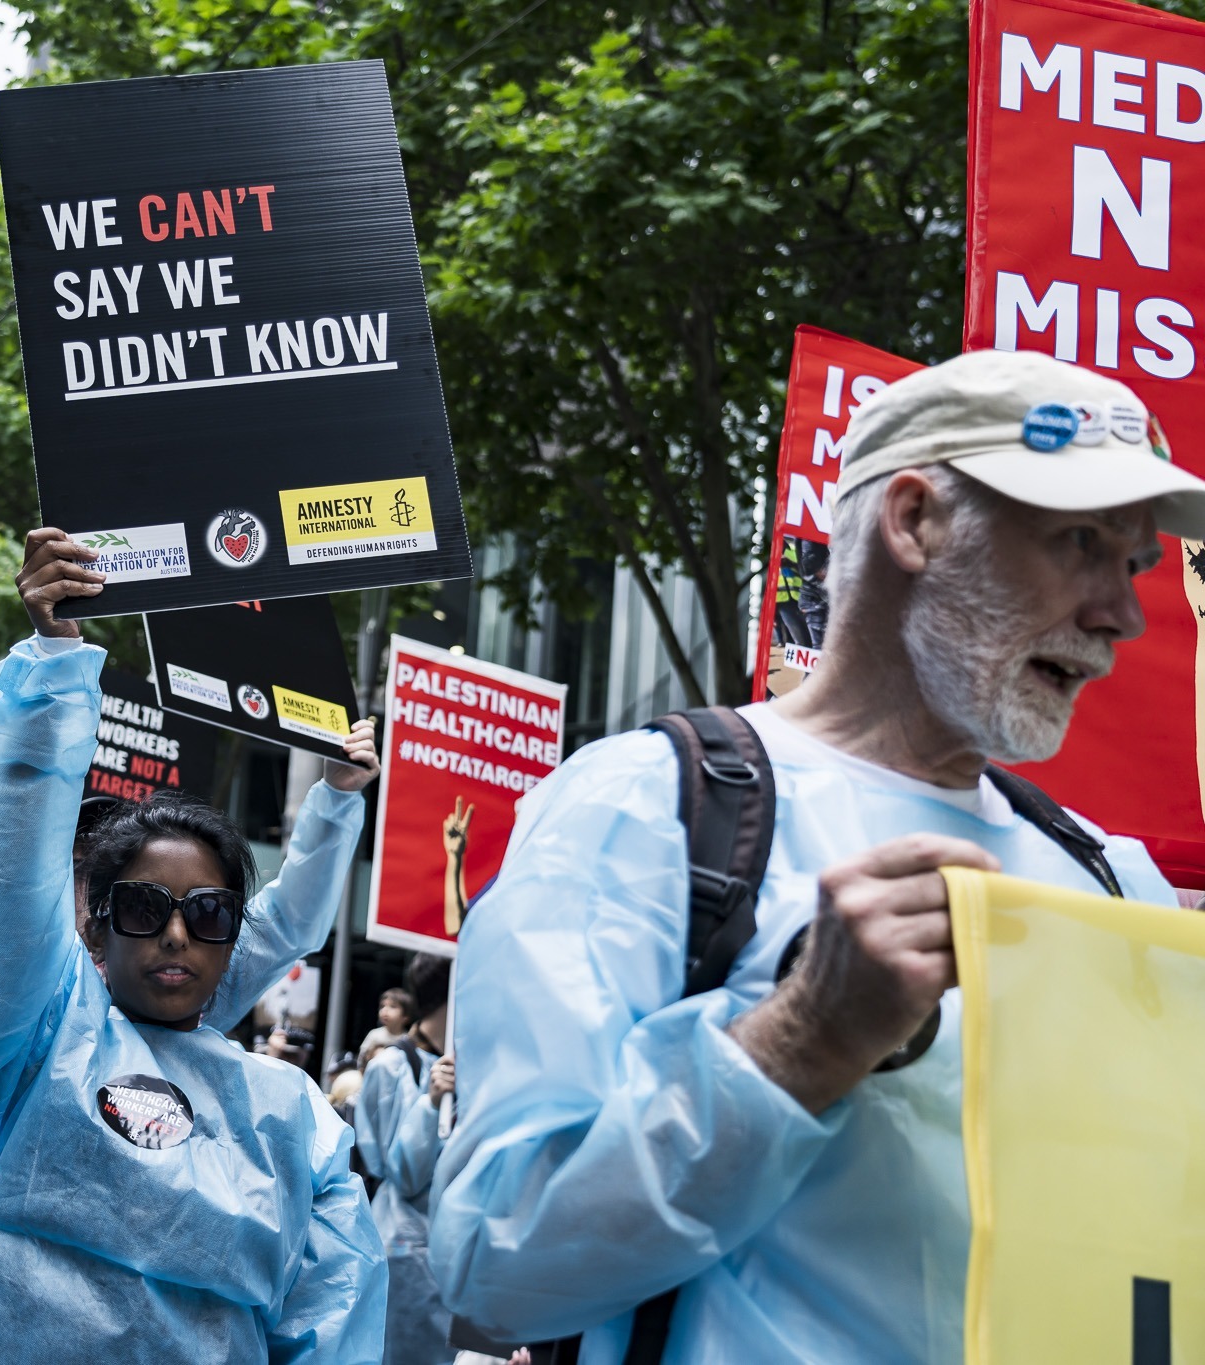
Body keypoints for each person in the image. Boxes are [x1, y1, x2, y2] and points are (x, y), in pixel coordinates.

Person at [429, 350, 1205, 1360]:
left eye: (1135, 564)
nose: (1121, 616)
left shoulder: (1111, 878)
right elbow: (494, 1271)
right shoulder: (644, 805)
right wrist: (800, 1042)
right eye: (1079, 544)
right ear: (912, 521)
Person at [0, 529, 385, 1362]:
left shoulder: (293, 1119)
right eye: (147, 906)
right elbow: (5, 876)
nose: (180, 934)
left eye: (211, 914)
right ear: (93, 918)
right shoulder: (18, 1042)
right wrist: (52, 659)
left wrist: (337, 798)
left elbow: (330, 1320)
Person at [354, 954, 456, 1365]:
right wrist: (431, 1107)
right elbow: (401, 1172)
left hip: (454, 1255)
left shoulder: (476, 1066)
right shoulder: (392, 1067)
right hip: (406, 1255)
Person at [359, 987, 415, 1066]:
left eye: (393, 1006)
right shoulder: (374, 1035)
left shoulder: (407, 1039)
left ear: (405, 1016)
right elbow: (362, 1060)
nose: (385, 1010)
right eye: (382, 1006)